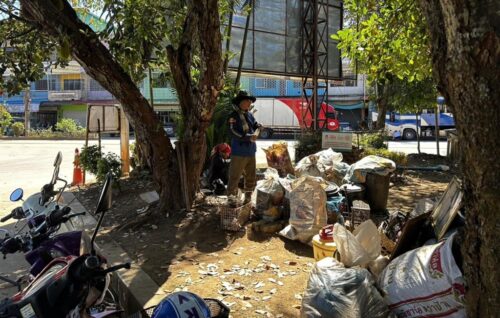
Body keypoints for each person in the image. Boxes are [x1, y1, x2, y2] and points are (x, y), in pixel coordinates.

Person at [227, 91, 262, 204]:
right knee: (235, 177)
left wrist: (258, 126)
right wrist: (248, 137)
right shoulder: (233, 116)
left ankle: (248, 198)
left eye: (250, 101)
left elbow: (254, 124)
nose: (249, 103)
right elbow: (232, 132)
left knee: (251, 176)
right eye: (247, 100)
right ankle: (232, 200)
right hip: (239, 152)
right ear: (240, 102)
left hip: (251, 151)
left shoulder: (249, 114)